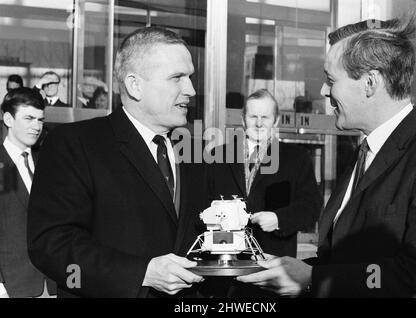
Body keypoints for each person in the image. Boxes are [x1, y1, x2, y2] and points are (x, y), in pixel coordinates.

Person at [237, 17, 416, 298]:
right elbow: (348, 258)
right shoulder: (363, 152)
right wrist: (296, 269)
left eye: (330, 80)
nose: (324, 91)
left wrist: (315, 278)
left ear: (370, 82)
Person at [27, 27, 205, 298]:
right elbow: (51, 245)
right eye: (177, 77)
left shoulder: (195, 149)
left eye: (190, 77)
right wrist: (141, 273)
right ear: (135, 85)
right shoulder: (75, 144)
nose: (191, 89)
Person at [205, 89, 322, 297]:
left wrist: (279, 218)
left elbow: (311, 207)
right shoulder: (217, 155)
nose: (259, 124)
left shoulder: (296, 158)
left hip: (272, 275)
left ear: (275, 121)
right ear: (243, 119)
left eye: (265, 117)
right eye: (253, 117)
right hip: (223, 275)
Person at [0, 87, 56, 297]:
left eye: (40, 120)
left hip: (49, 283)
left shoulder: (47, 164)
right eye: (29, 118)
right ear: (8, 119)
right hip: (11, 286)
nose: (36, 127)